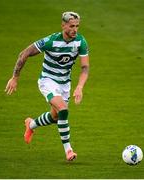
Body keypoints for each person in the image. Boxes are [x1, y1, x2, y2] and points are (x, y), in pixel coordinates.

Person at [5, 11, 89, 161]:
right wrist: (15, 77)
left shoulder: (81, 42)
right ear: (63, 25)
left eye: (77, 26)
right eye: (71, 26)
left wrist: (79, 87)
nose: (75, 29)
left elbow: (85, 68)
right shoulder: (50, 41)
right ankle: (69, 151)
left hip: (65, 84)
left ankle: (31, 124)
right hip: (47, 81)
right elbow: (24, 54)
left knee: (55, 117)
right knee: (63, 109)